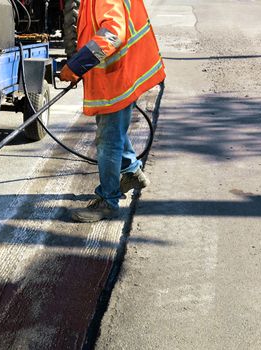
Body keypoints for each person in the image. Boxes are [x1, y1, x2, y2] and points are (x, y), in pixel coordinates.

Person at [59, 0, 165, 223]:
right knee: (114, 130)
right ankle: (132, 172)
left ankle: (108, 201)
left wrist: (77, 65)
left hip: (116, 78)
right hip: (119, 74)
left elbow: (113, 35)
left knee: (108, 139)